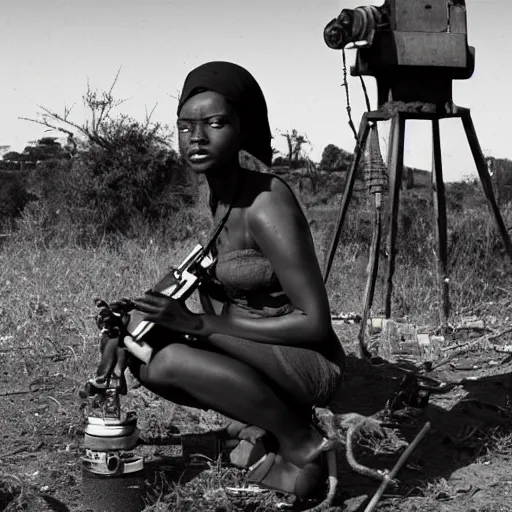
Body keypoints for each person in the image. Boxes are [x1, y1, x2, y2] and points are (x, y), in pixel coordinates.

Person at [125, 61, 345, 498]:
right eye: (185, 127)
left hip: (307, 358)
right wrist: (128, 318)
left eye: (215, 123)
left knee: (167, 360)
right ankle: (265, 423)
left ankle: (302, 444)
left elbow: (314, 322)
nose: (197, 138)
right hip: (258, 349)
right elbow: (194, 272)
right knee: (139, 344)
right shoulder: (220, 196)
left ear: (241, 127)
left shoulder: (266, 202)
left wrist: (199, 325)